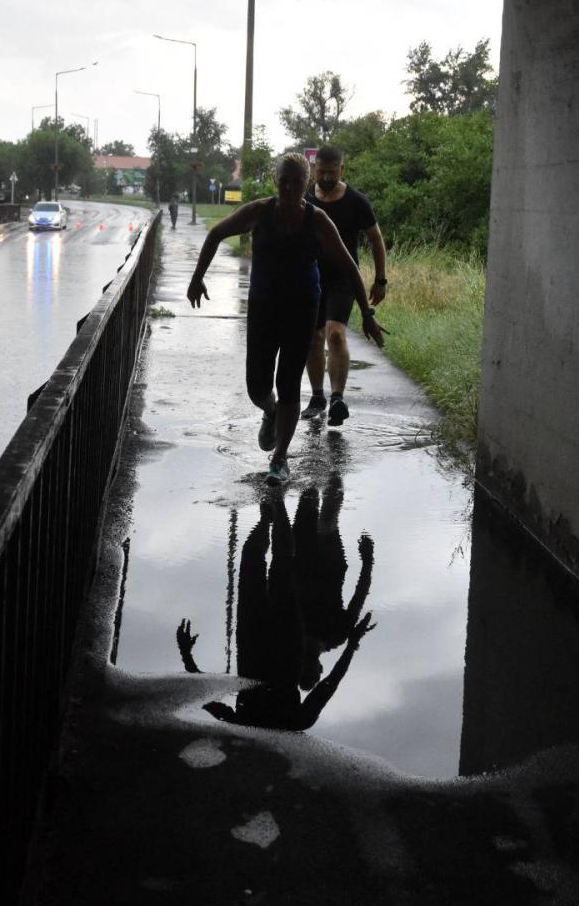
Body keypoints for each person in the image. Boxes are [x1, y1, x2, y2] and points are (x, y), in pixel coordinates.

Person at [187, 153, 386, 485]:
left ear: (307, 183)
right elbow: (216, 234)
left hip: (302, 309)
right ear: (274, 180)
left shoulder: (318, 220)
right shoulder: (259, 212)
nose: (291, 187)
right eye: (284, 181)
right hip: (264, 309)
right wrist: (197, 278)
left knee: (289, 382)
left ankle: (280, 459)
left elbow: (350, 266)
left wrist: (366, 313)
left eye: (297, 181)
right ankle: (270, 410)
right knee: (257, 388)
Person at [175, 490, 375, 730]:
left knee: (261, 558)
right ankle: (275, 504)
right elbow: (330, 683)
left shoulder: (270, 722)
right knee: (277, 562)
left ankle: (269, 515)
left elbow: (330, 683)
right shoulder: (294, 721)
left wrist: (187, 657)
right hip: (281, 638)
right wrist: (187, 658)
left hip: (258, 638)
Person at [301, 146, 387, 426]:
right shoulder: (304, 200)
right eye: (320, 171)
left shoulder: (356, 202)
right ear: (314, 169)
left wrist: (380, 279)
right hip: (310, 278)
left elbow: (376, 240)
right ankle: (317, 397)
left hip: (343, 279)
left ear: (342, 169)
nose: (325, 177)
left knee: (335, 333)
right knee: (312, 339)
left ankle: (337, 397)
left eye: (331, 172)